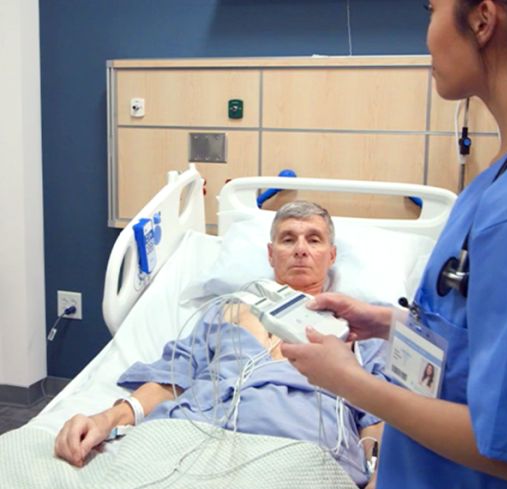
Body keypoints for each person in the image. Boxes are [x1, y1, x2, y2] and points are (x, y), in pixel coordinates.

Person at [280, 1, 507, 488]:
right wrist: (390, 322)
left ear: (482, 19)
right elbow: (495, 334)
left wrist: (350, 382)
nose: (427, 34)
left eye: (430, 10)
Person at [55, 201, 385, 488]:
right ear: (271, 254)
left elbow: (377, 412)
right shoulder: (227, 309)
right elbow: (175, 379)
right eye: (288, 239)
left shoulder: (357, 327)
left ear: (332, 255)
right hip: (192, 436)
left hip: (297, 446)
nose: (301, 248)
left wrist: (376, 474)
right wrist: (105, 420)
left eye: (313, 239)